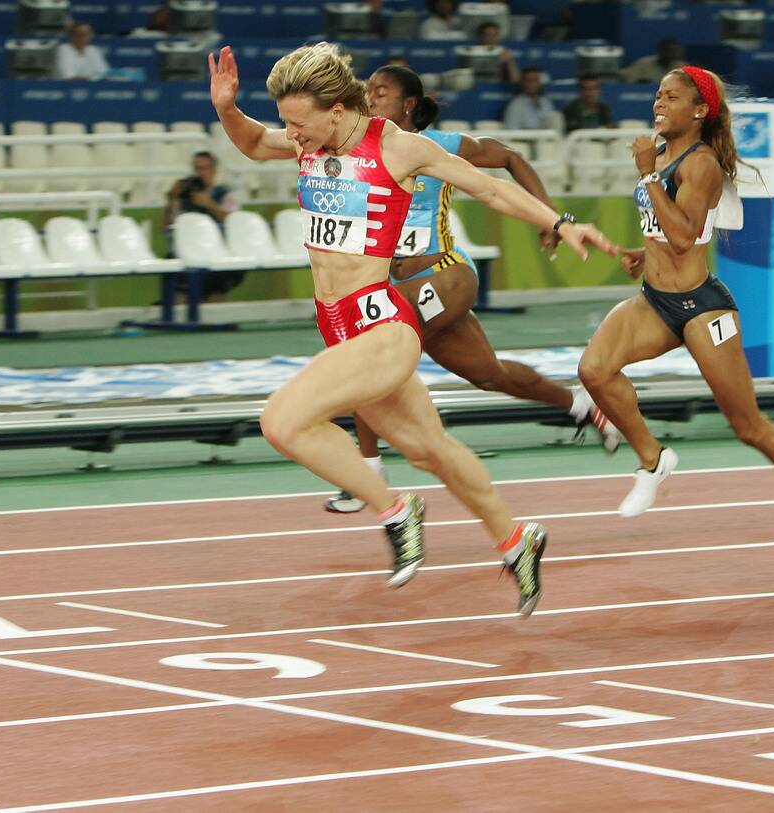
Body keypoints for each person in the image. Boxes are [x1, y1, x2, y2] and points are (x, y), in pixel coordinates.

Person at [207, 43, 618, 615]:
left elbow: (491, 187)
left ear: (335, 108)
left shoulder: (398, 147)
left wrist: (561, 222)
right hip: (339, 327)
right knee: (433, 450)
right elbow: (252, 142)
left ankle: (396, 510)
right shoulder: (311, 139)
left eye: (298, 125)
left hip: (380, 323)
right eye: (287, 124)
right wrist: (227, 107)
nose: (291, 136)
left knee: (282, 420)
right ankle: (516, 537)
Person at [577, 65, 774, 566]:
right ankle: (653, 460)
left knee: (748, 427)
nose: (659, 102)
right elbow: (672, 231)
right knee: (593, 370)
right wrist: (644, 249)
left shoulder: (698, 164)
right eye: (657, 93)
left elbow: (683, 234)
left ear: (700, 111)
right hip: (654, 300)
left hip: (702, 307)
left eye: (672, 97)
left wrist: (646, 175)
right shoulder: (661, 155)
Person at [321, 65, 622, 513]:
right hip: (396, 284)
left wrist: (552, 218)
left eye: (380, 92)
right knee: (487, 374)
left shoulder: (436, 146)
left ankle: (368, 470)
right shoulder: (360, 152)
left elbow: (510, 159)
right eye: (367, 92)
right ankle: (581, 405)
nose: (370, 98)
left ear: (407, 105)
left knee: (369, 341)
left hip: (446, 273)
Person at [163, 151, 243, 298]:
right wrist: (171, 200)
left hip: (217, 251)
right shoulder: (184, 197)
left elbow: (234, 222)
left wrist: (210, 205)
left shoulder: (224, 194)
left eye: (205, 168)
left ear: (214, 170)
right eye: (198, 168)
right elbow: (165, 227)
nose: (201, 173)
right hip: (187, 250)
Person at [619, 39, 684, 85]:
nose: (672, 53)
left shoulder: (682, 67)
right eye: (670, 50)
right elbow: (624, 76)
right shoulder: (644, 63)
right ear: (662, 51)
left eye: (675, 51)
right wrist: (640, 83)